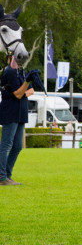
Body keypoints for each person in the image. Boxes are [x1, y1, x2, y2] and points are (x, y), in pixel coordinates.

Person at [0, 56, 40, 186]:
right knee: (6, 145)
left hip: (20, 113)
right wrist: (25, 85)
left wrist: (23, 91)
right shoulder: (10, 72)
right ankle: (2, 177)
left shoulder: (20, 72)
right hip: (10, 112)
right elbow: (18, 94)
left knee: (17, 146)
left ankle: (6, 175)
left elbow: (30, 91)